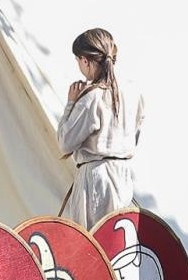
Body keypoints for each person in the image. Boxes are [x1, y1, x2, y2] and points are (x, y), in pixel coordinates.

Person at [56, 28, 146, 229]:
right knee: (118, 243)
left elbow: (65, 142)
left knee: (94, 246)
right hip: (122, 175)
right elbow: (136, 134)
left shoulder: (92, 97)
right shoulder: (133, 93)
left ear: (85, 60)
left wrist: (70, 103)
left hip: (96, 180)